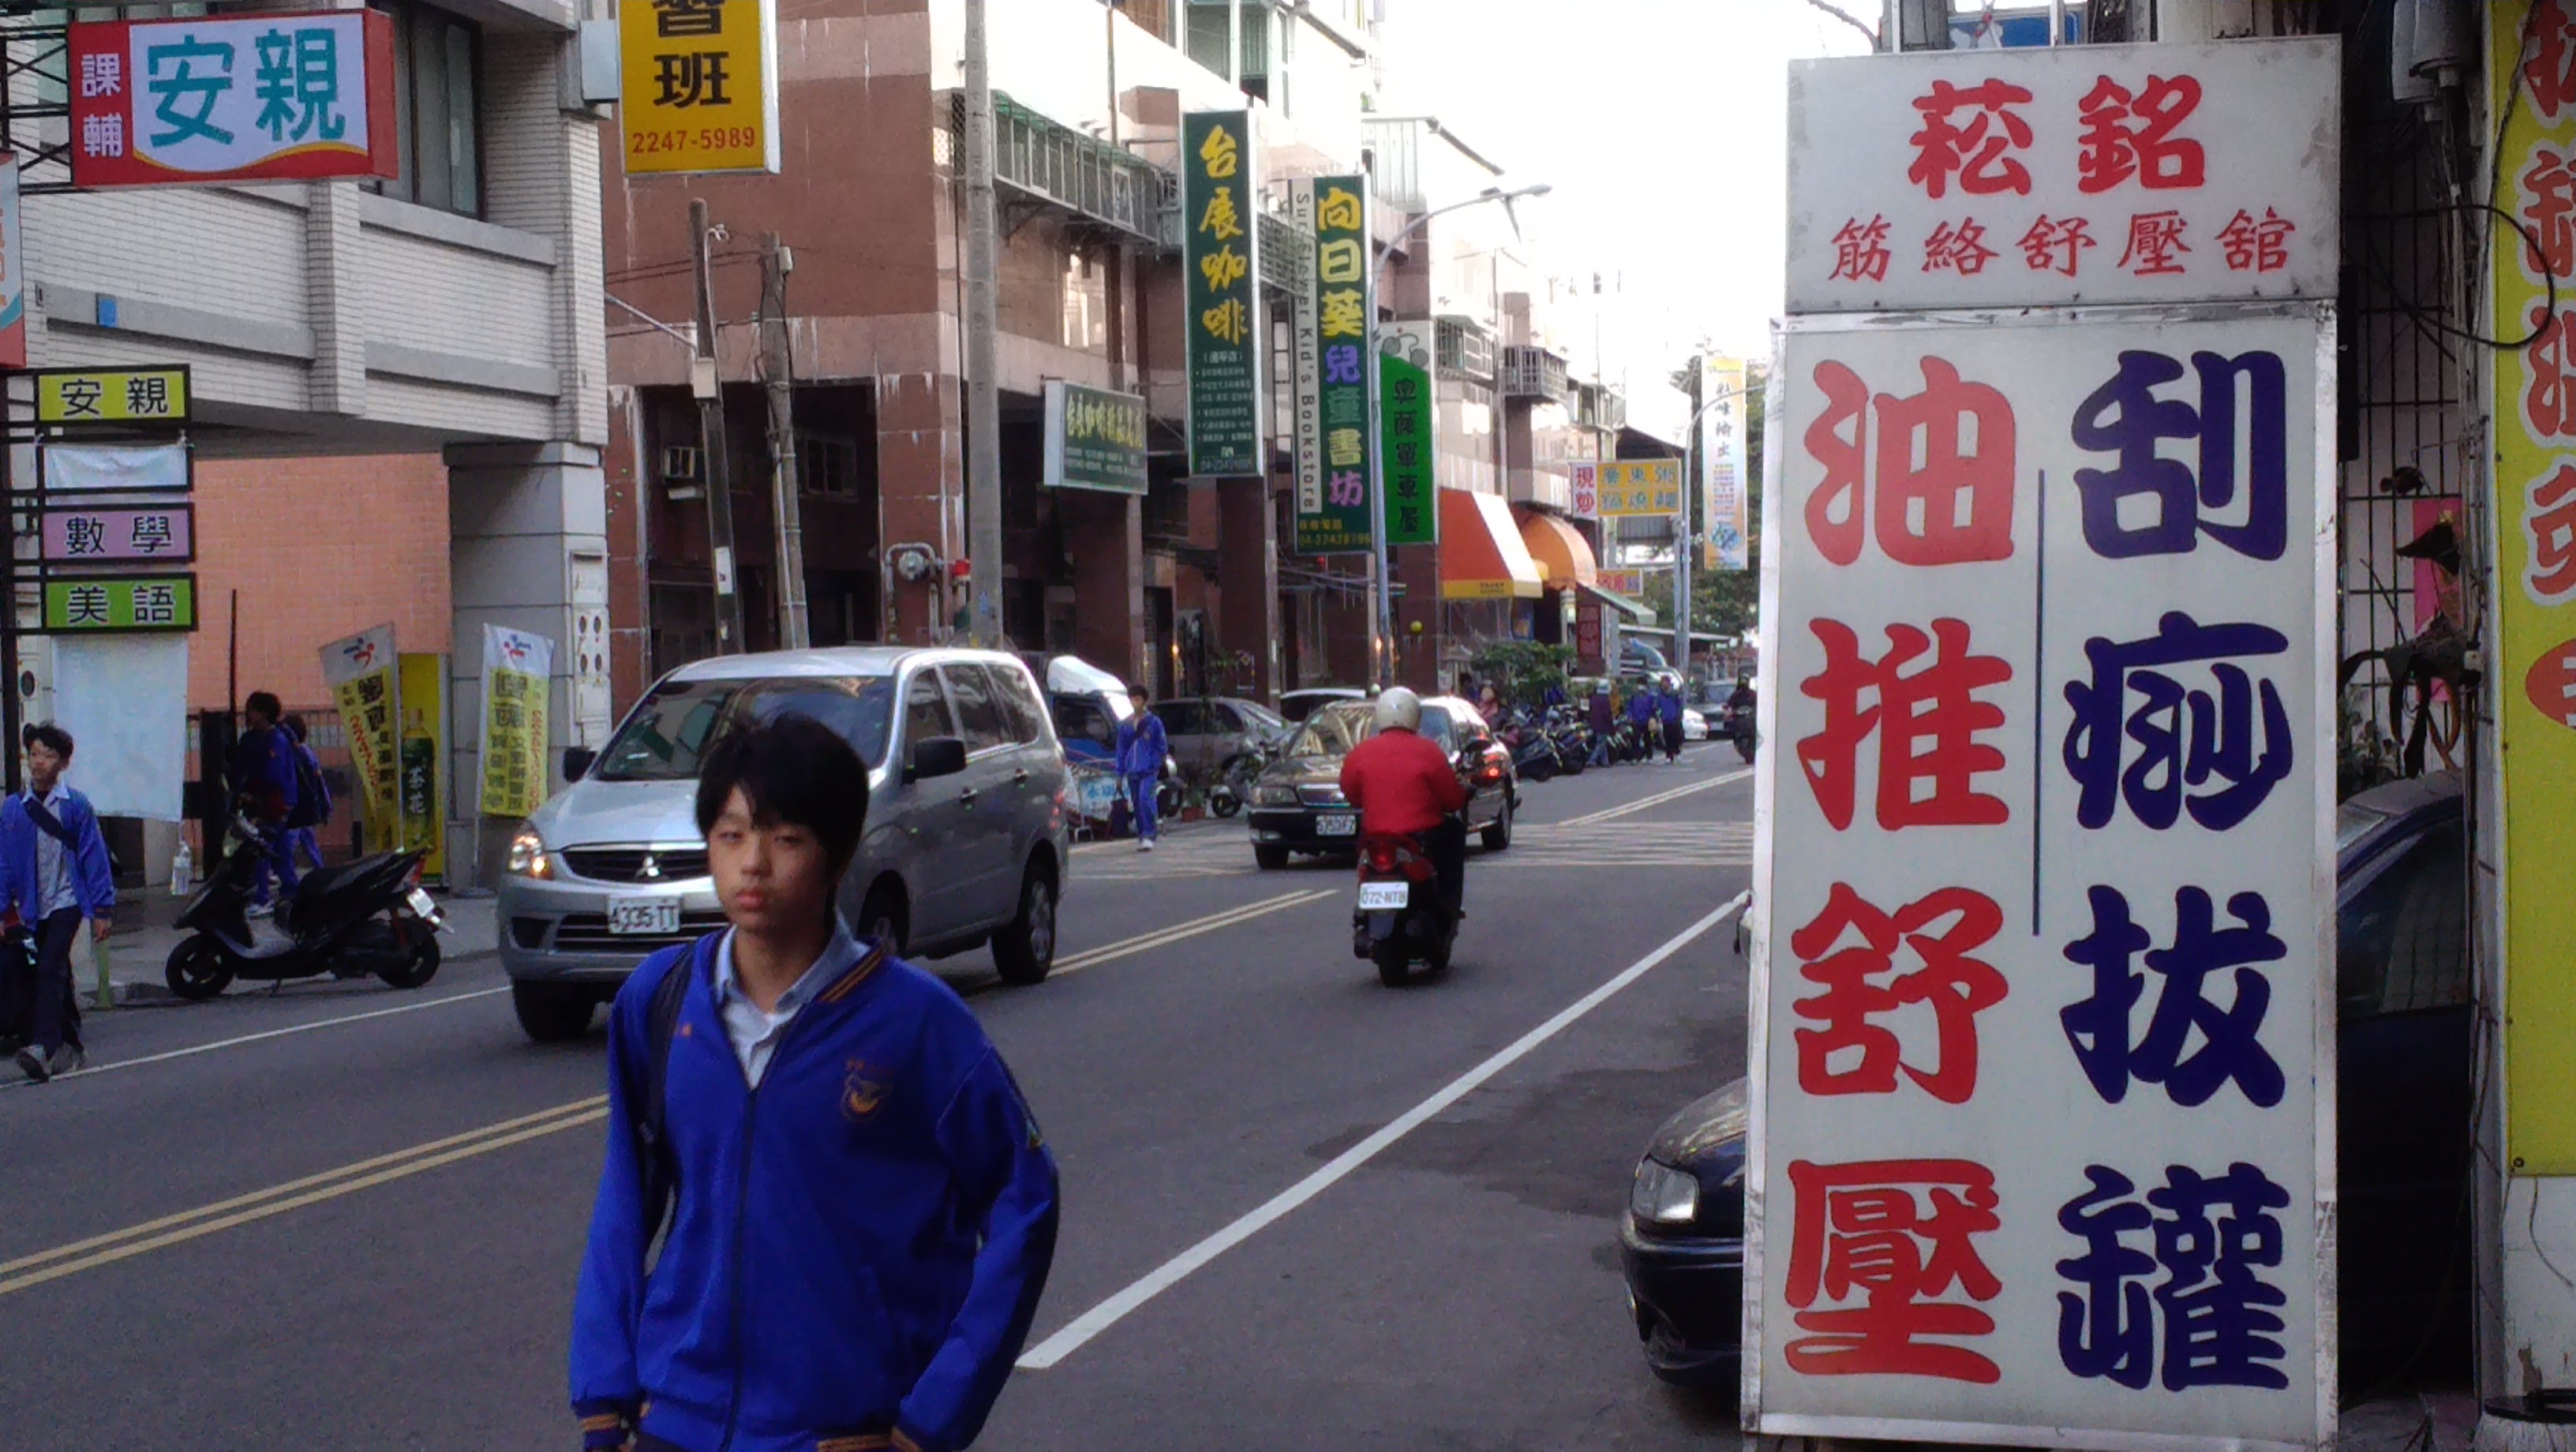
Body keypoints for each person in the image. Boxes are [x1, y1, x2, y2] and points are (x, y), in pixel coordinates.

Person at [571, 715, 1058, 1452]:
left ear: (837, 856)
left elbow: (1026, 1200)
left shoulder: (917, 1024)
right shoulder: (661, 999)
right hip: (677, 1420)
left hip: (839, 1432)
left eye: (785, 839)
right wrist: (605, 1390)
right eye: (731, 836)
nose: (752, 865)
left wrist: (934, 1415)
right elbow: (625, 1198)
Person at [0, 724, 115, 1082]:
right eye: (34, 754)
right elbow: (3, 861)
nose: (39, 762)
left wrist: (102, 910)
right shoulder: (13, 810)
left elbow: (94, 857)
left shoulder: (76, 806)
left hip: (68, 901)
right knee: (53, 973)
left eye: (48, 755)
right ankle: (73, 1046)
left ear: (63, 763)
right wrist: (3, 908)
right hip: (35, 905)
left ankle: (42, 1048)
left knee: (50, 967)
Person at [1339, 687, 1470, 916]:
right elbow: (1452, 800)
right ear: (1415, 718)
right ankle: (1450, 902)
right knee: (1455, 831)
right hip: (1421, 837)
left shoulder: (1360, 752)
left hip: (1375, 836)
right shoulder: (1429, 751)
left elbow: (1350, 794)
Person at [228, 690, 300, 917]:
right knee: (277, 852)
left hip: (274, 806)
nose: (248, 713)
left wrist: (253, 794)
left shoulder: (277, 741)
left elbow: (274, 775)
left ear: (264, 713)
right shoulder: (252, 739)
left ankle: (264, 897)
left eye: (253, 709)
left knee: (262, 850)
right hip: (264, 806)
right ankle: (291, 894)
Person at [1113, 685, 1166, 852]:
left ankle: (1149, 834)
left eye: (1138, 699)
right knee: (1137, 803)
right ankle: (1143, 834)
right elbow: (1121, 750)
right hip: (1132, 770)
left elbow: (1162, 747)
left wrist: (1155, 763)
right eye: (1132, 699)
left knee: (1145, 798)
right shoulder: (1126, 725)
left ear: (1144, 700)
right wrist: (1119, 773)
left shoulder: (1154, 723)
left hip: (1149, 770)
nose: (1135, 702)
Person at [281, 713, 331, 874]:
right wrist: (325, 807)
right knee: (309, 843)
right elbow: (319, 783)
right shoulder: (308, 753)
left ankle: (289, 883)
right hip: (308, 807)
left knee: (286, 848)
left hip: (295, 808)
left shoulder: (289, 755)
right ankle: (321, 873)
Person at [1657, 674, 1687, 764]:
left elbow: (1679, 705)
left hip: (1674, 718)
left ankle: (1677, 753)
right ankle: (1669, 756)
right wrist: (1659, 715)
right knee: (1667, 738)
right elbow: (1658, 706)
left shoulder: (1674, 694)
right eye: (1663, 682)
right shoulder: (1660, 694)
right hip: (1665, 719)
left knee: (1675, 737)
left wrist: (1679, 715)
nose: (1665, 684)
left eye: (1666, 682)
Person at [1586, 681, 1616, 769]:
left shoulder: (1594, 698)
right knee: (1601, 743)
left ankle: (1605, 761)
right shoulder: (1605, 699)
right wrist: (1611, 727)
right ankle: (1592, 760)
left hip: (1594, 723)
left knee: (1603, 742)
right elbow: (1607, 714)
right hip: (1602, 724)